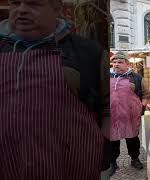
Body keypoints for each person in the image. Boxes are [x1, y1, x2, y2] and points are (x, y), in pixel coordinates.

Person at [0, 0, 108, 179]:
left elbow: (107, 107)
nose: (21, 10)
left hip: (70, 166)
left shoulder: (88, 52)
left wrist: (106, 153)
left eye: (33, 4)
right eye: (15, 3)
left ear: (57, 9)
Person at [108, 51, 150, 176]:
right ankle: (112, 162)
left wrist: (141, 107)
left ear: (127, 64)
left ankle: (134, 159)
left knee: (132, 139)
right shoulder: (106, 77)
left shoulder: (137, 78)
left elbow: (146, 94)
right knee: (112, 140)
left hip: (130, 116)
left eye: (120, 62)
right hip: (112, 116)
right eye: (114, 62)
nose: (116, 64)